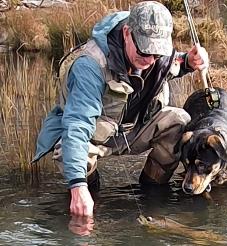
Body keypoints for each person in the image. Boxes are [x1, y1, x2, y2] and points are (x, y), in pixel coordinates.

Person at [32, 1, 209, 217]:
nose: (149, 60)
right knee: (66, 150)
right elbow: (77, 127)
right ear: (127, 33)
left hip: (133, 131)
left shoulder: (156, 58)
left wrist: (190, 62)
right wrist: (78, 188)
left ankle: (152, 191)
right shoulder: (90, 66)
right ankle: (92, 193)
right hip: (96, 138)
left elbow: (174, 64)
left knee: (179, 119)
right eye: (144, 51)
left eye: (156, 53)